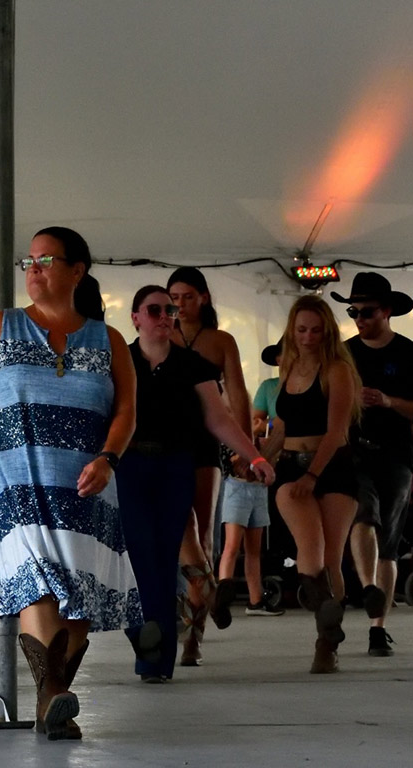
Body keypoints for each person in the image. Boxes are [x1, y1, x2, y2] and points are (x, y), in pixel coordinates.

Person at [0, 226, 141, 741]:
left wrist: (109, 458)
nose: (34, 269)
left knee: (79, 595)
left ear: (77, 270)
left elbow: (127, 411)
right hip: (14, 483)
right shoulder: (0, 327)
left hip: (87, 485)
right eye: (29, 261)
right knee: (33, 581)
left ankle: (52, 696)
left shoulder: (107, 340)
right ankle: (50, 695)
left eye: (46, 260)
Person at [117, 285, 275, 682]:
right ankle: (142, 632)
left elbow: (218, 418)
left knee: (166, 553)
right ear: (135, 318)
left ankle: (157, 660)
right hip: (129, 464)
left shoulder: (191, 365)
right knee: (136, 558)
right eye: (154, 310)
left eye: (169, 310)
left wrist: (253, 455)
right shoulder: (118, 361)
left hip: (175, 466)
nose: (164, 316)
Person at [264, 294, 361, 673]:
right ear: (292, 329)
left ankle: (326, 643)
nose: (308, 337)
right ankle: (326, 614)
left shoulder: (336, 369)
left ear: (327, 332)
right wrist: (259, 457)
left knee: (332, 557)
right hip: (291, 467)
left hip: (332, 465)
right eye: (301, 329)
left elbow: (337, 431)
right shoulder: (287, 368)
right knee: (311, 547)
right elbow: (282, 427)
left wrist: (313, 475)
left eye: (316, 330)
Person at [167, 267, 250, 665]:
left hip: (205, 443)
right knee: (182, 538)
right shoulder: (160, 334)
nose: (179, 305)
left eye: (186, 297)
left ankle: (193, 637)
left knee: (204, 537)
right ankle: (208, 595)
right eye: (174, 298)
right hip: (166, 443)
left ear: (203, 298)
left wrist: (248, 451)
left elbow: (238, 392)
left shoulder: (220, 341)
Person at [332, 273, 413, 657]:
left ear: (386, 311)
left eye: (365, 312)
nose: (358, 319)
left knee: (390, 544)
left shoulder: (409, 354)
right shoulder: (344, 354)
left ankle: (377, 628)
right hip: (355, 451)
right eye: (352, 311)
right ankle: (368, 590)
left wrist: (388, 400)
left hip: (398, 455)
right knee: (363, 516)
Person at [218, 342, 285, 619]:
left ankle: (256, 600)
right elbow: (232, 459)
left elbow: (259, 428)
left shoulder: (246, 413)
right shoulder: (224, 430)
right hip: (237, 486)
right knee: (232, 546)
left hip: (255, 487)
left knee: (253, 548)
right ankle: (223, 594)